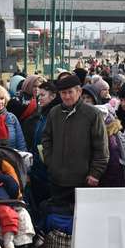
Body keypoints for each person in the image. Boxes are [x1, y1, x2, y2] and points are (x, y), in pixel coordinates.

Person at [42, 74, 109, 205]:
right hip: (57, 180)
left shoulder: (92, 114)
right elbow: (46, 139)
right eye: (63, 93)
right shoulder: (54, 113)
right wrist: (51, 163)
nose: (66, 96)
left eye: (70, 92)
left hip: (83, 181)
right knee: (59, 218)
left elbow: (101, 147)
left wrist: (95, 173)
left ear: (79, 91)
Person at [26, 81, 60, 214]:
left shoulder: (54, 115)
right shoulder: (42, 114)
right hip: (39, 168)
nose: (39, 98)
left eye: (43, 95)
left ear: (53, 96)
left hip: (48, 170)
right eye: (38, 95)